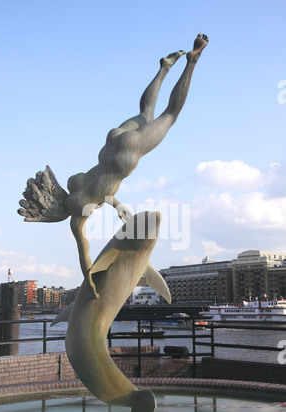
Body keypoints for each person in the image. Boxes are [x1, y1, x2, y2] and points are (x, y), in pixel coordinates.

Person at [18, 34, 208, 283]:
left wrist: (90, 282)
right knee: (146, 113)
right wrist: (117, 205)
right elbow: (100, 188)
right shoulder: (74, 183)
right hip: (110, 143)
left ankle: (192, 61)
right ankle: (163, 69)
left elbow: (84, 254)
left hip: (125, 156)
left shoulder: (77, 217)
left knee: (170, 115)